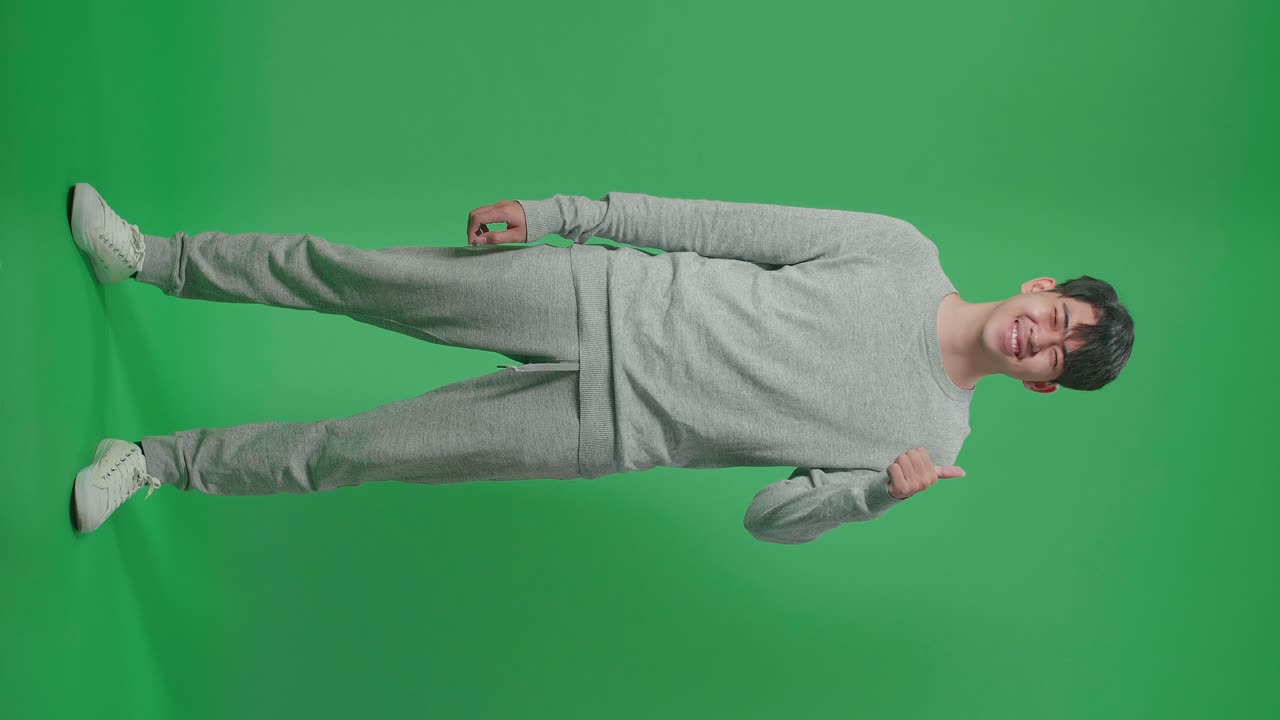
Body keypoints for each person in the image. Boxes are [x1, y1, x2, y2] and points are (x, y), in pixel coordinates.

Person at [67, 183, 1135, 542]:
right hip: (598, 296)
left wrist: (871, 498)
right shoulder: (899, 252)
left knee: (356, 452)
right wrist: (567, 215)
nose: (1046, 333)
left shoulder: (932, 443)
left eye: (1062, 353)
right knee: (353, 275)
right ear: (1041, 289)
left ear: (1042, 383)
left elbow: (763, 519)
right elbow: (717, 225)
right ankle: (151, 257)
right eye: (1062, 313)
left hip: (602, 433)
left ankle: (155, 463)